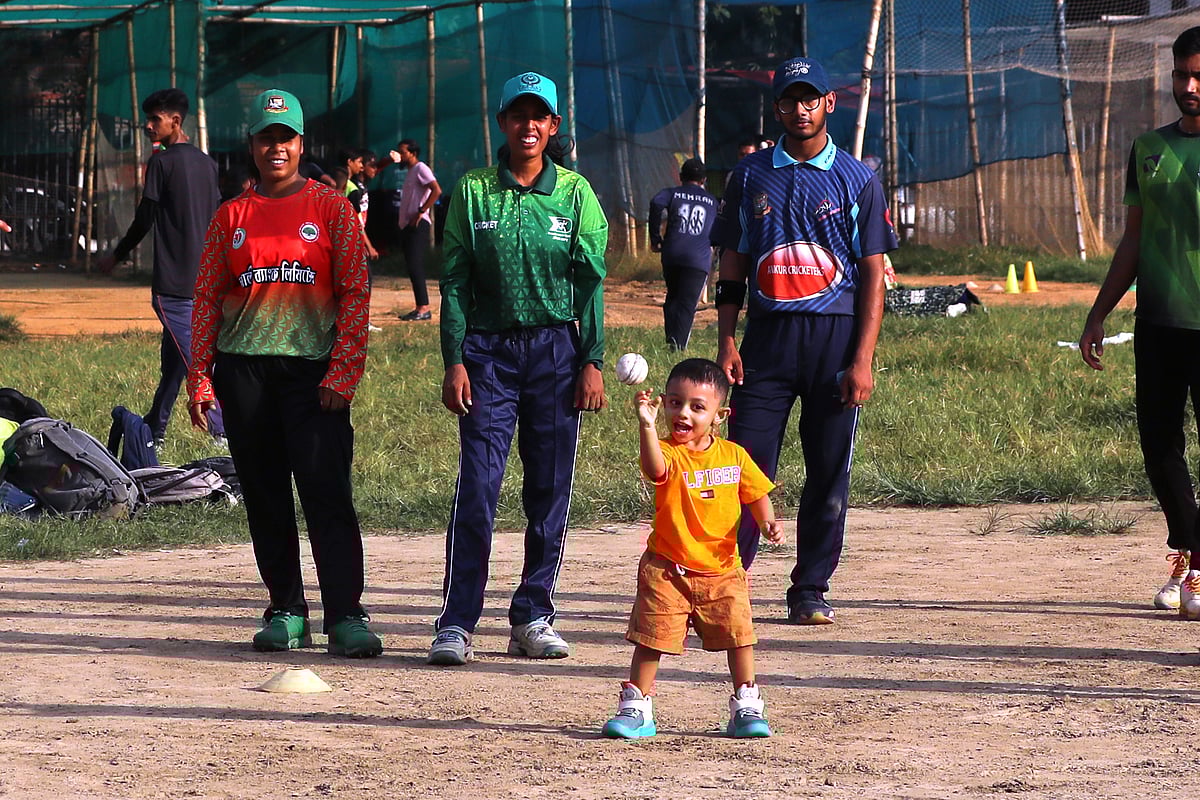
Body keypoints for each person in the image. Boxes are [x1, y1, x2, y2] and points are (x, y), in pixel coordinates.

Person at [186, 88, 382, 658]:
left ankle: (346, 613)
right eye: (266, 138)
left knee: (326, 494)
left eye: (286, 138)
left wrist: (342, 375)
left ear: (301, 144)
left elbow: (355, 293)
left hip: (313, 376)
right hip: (244, 373)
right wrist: (200, 376)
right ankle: (287, 609)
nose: (277, 147)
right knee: (267, 496)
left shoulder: (331, 209)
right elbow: (206, 299)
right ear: (253, 145)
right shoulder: (231, 217)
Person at [429, 70, 608, 666]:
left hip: (556, 355)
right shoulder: (473, 191)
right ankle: (456, 623)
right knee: (478, 488)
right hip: (487, 357)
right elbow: (453, 282)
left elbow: (590, 286)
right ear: (502, 123)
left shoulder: (576, 195)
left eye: (540, 117)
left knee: (549, 489)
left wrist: (592, 361)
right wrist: (454, 359)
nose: (528, 126)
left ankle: (533, 615)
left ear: (553, 126)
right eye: (517, 115)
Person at [712, 56, 898, 625]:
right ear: (777, 108)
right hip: (766, 341)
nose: (800, 109)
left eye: (809, 99)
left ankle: (810, 588)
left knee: (828, 470)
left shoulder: (857, 178)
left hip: (835, 341)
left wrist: (862, 359)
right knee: (741, 466)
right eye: (789, 100)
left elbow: (872, 273)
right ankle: (727, 583)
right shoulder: (749, 175)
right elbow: (734, 260)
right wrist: (726, 339)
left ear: (828, 104)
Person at [1080, 25, 1200, 618]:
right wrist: (1099, 312)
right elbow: (1133, 240)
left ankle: (1197, 565)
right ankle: (1191, 546)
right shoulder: (1149, 148)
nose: (1190, 85)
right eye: (1181, 74)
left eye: (1199, 74)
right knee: (1158, 443)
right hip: (1158, 321)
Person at [601, 358, 781, 740]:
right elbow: (654, 470)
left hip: (723, 571)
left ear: (721, 414)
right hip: (667, 569)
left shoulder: (733, 455)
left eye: (698, 407)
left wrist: (767, 522)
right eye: (675, 403)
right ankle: (637, 707)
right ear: (663, 403)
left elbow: (756, 492)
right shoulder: (668, 451)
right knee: (651, 639)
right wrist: (646, 427)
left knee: (739, 637)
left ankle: (746, 704)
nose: (683, 413)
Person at [96, 88, 225, 448]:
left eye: (155, 119)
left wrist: (116, 255)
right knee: (178, 361)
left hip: (175, 287)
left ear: (175, 121)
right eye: (147, 119)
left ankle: (223, 432)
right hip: (205, 282)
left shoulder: (162, 163)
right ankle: (155, 429)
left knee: (195, 361)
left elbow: (144, 218)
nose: (148, 126)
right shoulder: (207, 163)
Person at [649, 157, 717, 350]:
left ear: (681, 177)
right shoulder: (711, 201)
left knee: (672, 298)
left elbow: (656, 202)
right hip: (697, 258)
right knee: (687, 304)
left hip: (672, 253)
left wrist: (655, 238)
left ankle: (671, 339)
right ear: (703, 180)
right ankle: (678, 347)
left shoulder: (673, 193)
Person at [394, 139, 442, 321]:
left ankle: (424, 307)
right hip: (408, 224)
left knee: (415, 265)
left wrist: (421, 211)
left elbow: (436, 190)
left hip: (418, 223)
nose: (401, 155)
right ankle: (419, 306)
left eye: (403, 152)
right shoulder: (410, 172)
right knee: (411, 266)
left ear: (412, 153)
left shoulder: (421, 168)